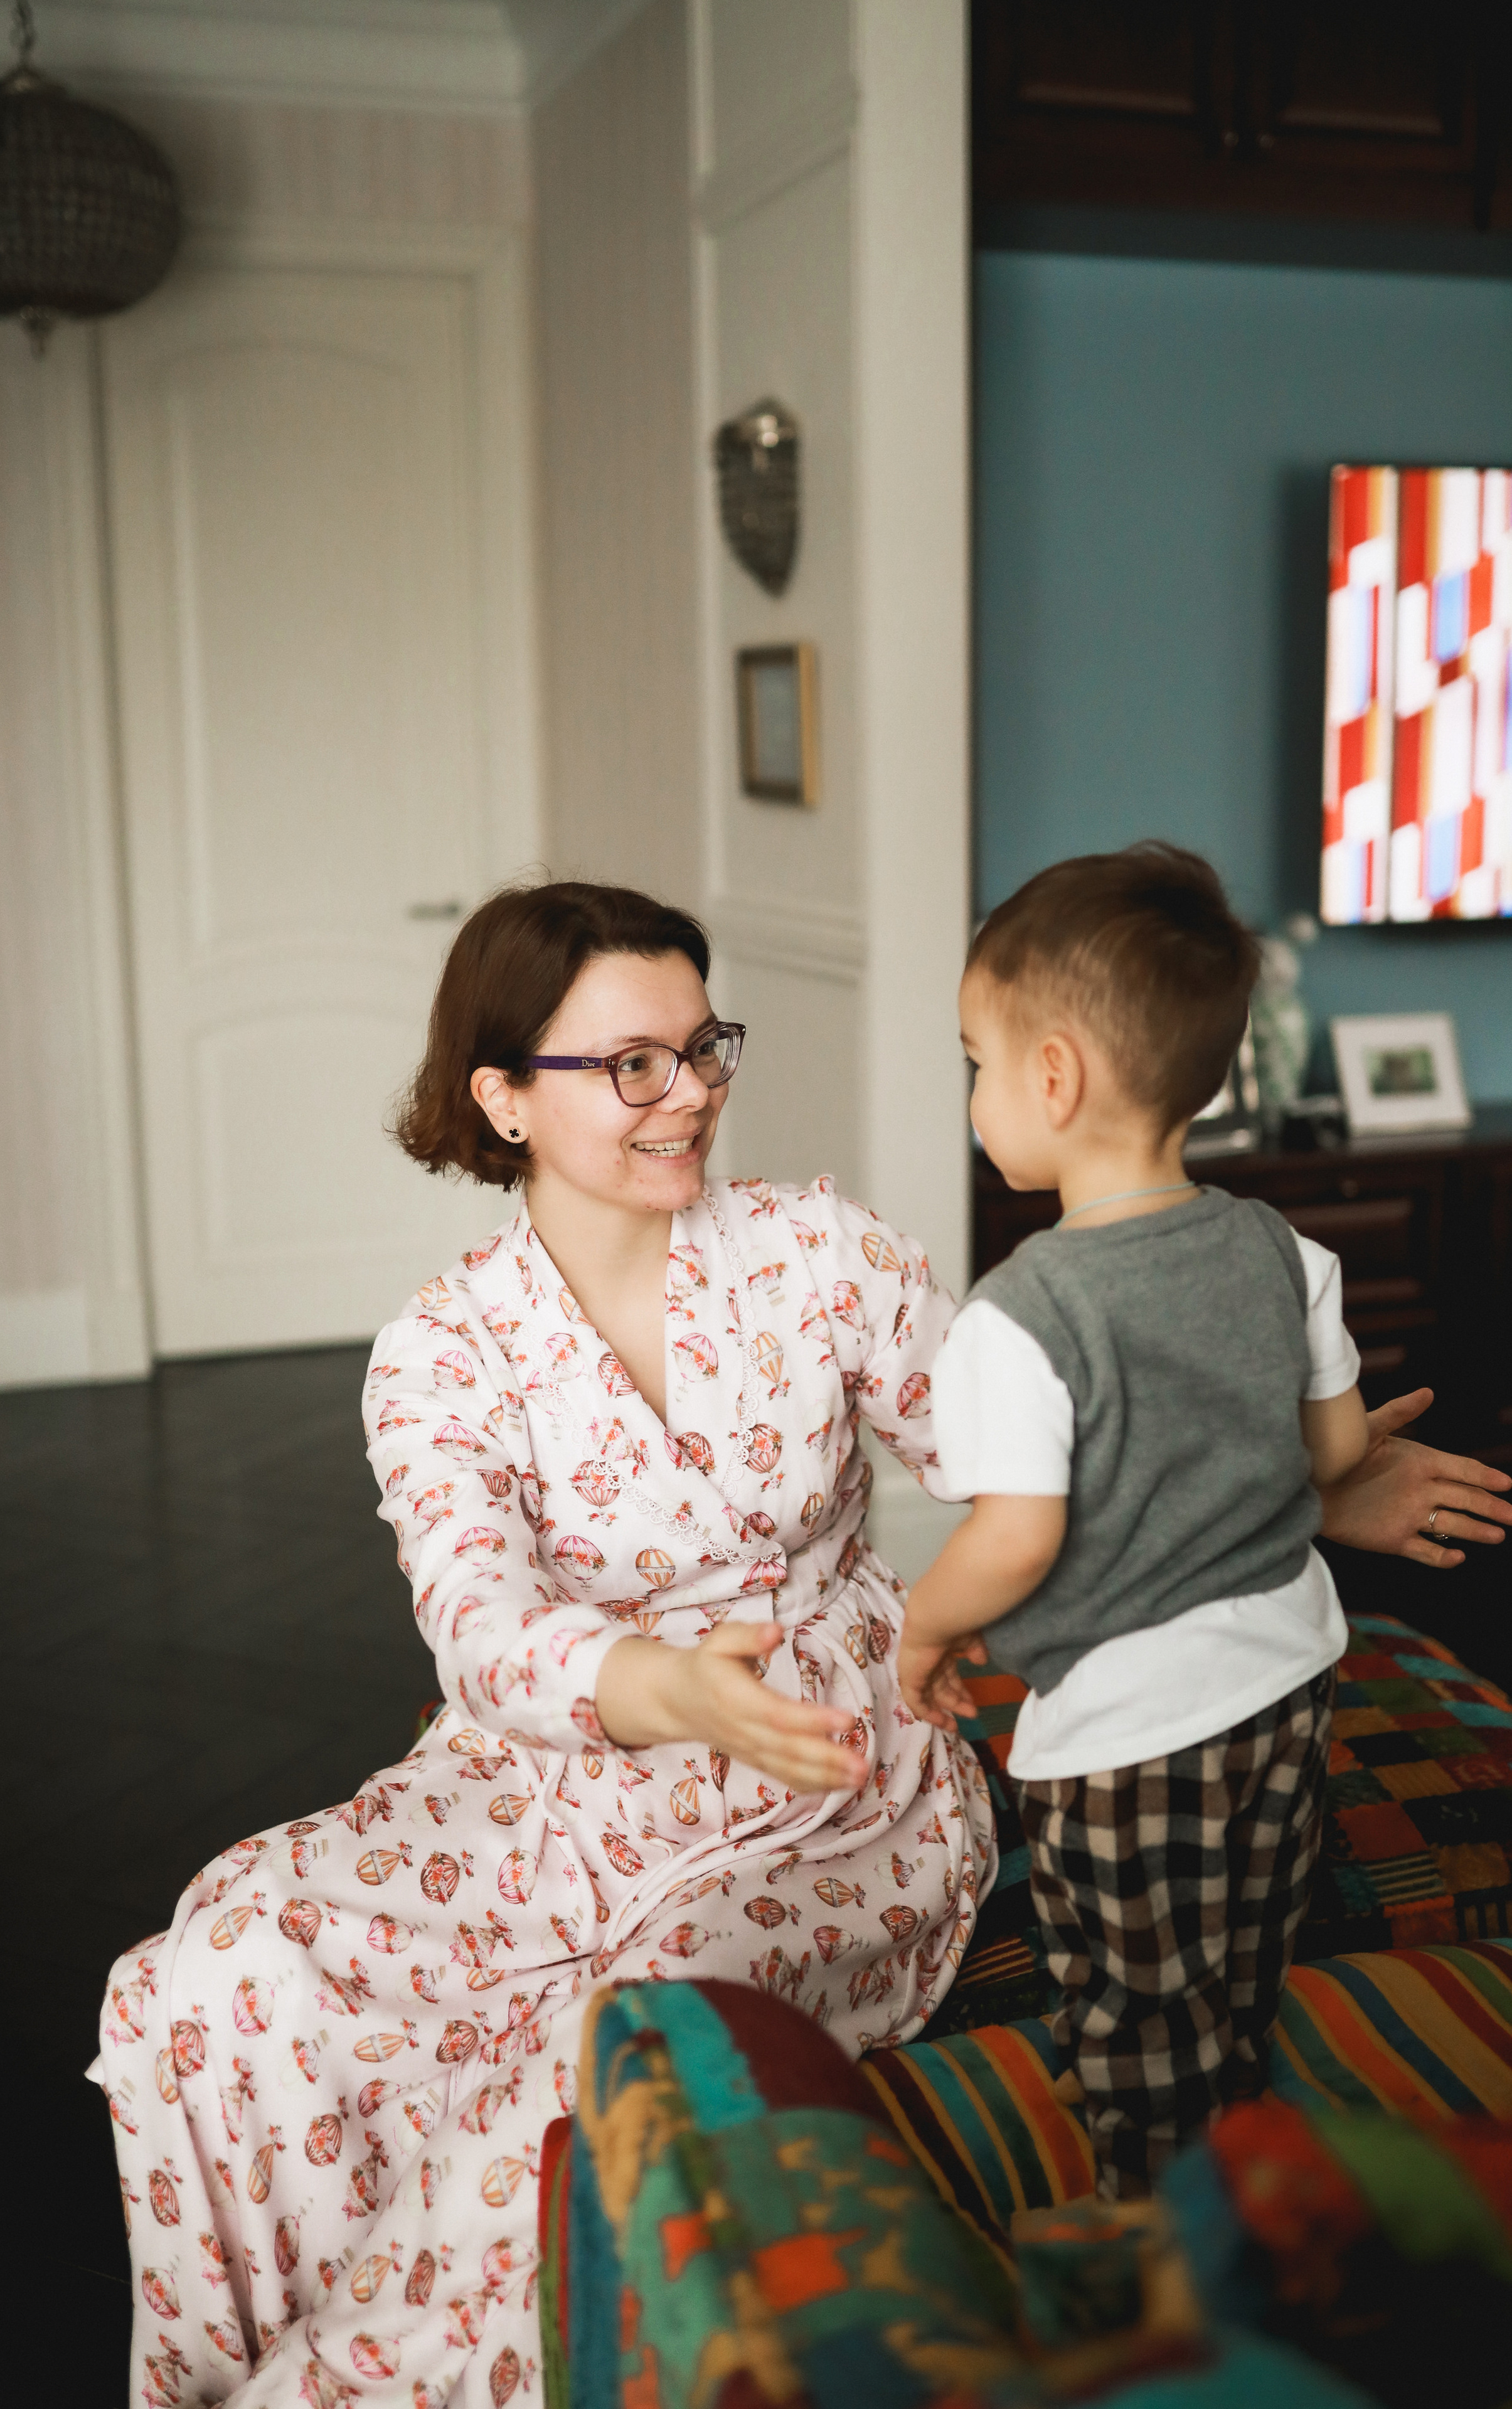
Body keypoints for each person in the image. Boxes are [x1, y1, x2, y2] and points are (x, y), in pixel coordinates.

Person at [97, 878, 1509, 2404]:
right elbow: (480, 1628)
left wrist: (1306, 1481)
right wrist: (658, 1691)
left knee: (606, 2064)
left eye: (705, 1047)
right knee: (210, 1966)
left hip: (834, 1774)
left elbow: (1026, 1473)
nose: (689, 1091)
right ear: (500, 1098)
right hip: (543, 1787)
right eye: (633, 1063)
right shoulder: (440, 1352)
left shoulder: (818, 1256)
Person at [896, 843, 1477, 2198]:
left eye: (974, 1059)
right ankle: (1252, 2151)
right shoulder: (1282, 1248)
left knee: (1134, 2006)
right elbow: (1328, 1447)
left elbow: (1016, 1539)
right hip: (1287, 1678)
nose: (975, 1090)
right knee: (1246, 1951)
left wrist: (919, 1630)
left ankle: (1169, 2247)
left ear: (1052, 1080)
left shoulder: (1020, 1314)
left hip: (1127, 1736)